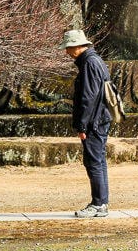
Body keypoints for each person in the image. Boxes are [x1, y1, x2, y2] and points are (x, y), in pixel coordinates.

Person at [60, 29, 112, 218]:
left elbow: (88, 97)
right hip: (100, 117)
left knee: (93, 162)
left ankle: (98, 203)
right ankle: (101, 202)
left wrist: (82, 125)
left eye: (68, 48)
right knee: (98, 160)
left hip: (94, 121)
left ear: (77, 46)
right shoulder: (95, 60)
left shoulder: (89, 63)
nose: (67, 52)